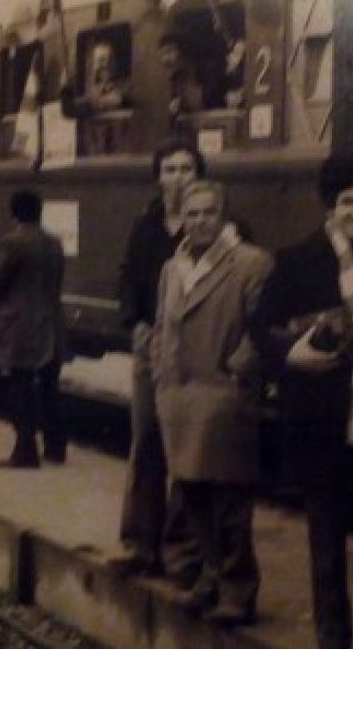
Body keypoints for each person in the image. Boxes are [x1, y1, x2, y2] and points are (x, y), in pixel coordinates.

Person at [252, 149, 353, 648]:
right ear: (331, 205)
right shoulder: (297, 259)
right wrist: (294, 353)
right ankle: (334, 644)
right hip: (322, 426)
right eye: (348, 201)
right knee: (326, 545)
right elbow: (260, 329)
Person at [151, 180, 271, 626]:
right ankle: (211, 574)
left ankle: (238, 587)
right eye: (192, 213)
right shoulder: (172, 267)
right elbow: (163, 327)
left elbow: (263, 328)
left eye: (209, 213)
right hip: (179, 397)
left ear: (224, 216)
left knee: (229, 500)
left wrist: (238, 372)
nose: (200, 221)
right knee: (192, 493)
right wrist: (162, 373)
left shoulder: (250, 263)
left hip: (223, 394)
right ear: (180, 218)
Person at [111, 139, 205, 584]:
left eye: (186, 168)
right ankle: (139, 544)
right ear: (158, 177)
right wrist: (134, 322)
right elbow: (128, 274)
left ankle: (180, 552)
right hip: (151, 342)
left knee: (187, 444)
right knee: (146, 440)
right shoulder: (145, 226)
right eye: (169, 169)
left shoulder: (216, 224)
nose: (178, 177)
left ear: (199, 175)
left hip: (197, 346)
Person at [0, 189, 67, 468]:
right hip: (52, 324)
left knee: (20, 387)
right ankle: (55, 448)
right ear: (40, 212)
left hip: (21, 327)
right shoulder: (54, 243)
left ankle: (25, 451)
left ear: (13, 214)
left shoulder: (13, 242)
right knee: (49, 387)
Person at [157, 33, 203, 131]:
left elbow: (195, 102)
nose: (166, 57)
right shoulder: (168, 76)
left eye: (170, 51)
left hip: (188, 126)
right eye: (163, 53)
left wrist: (180, 103)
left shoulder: (185, 74)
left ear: (179, 52)